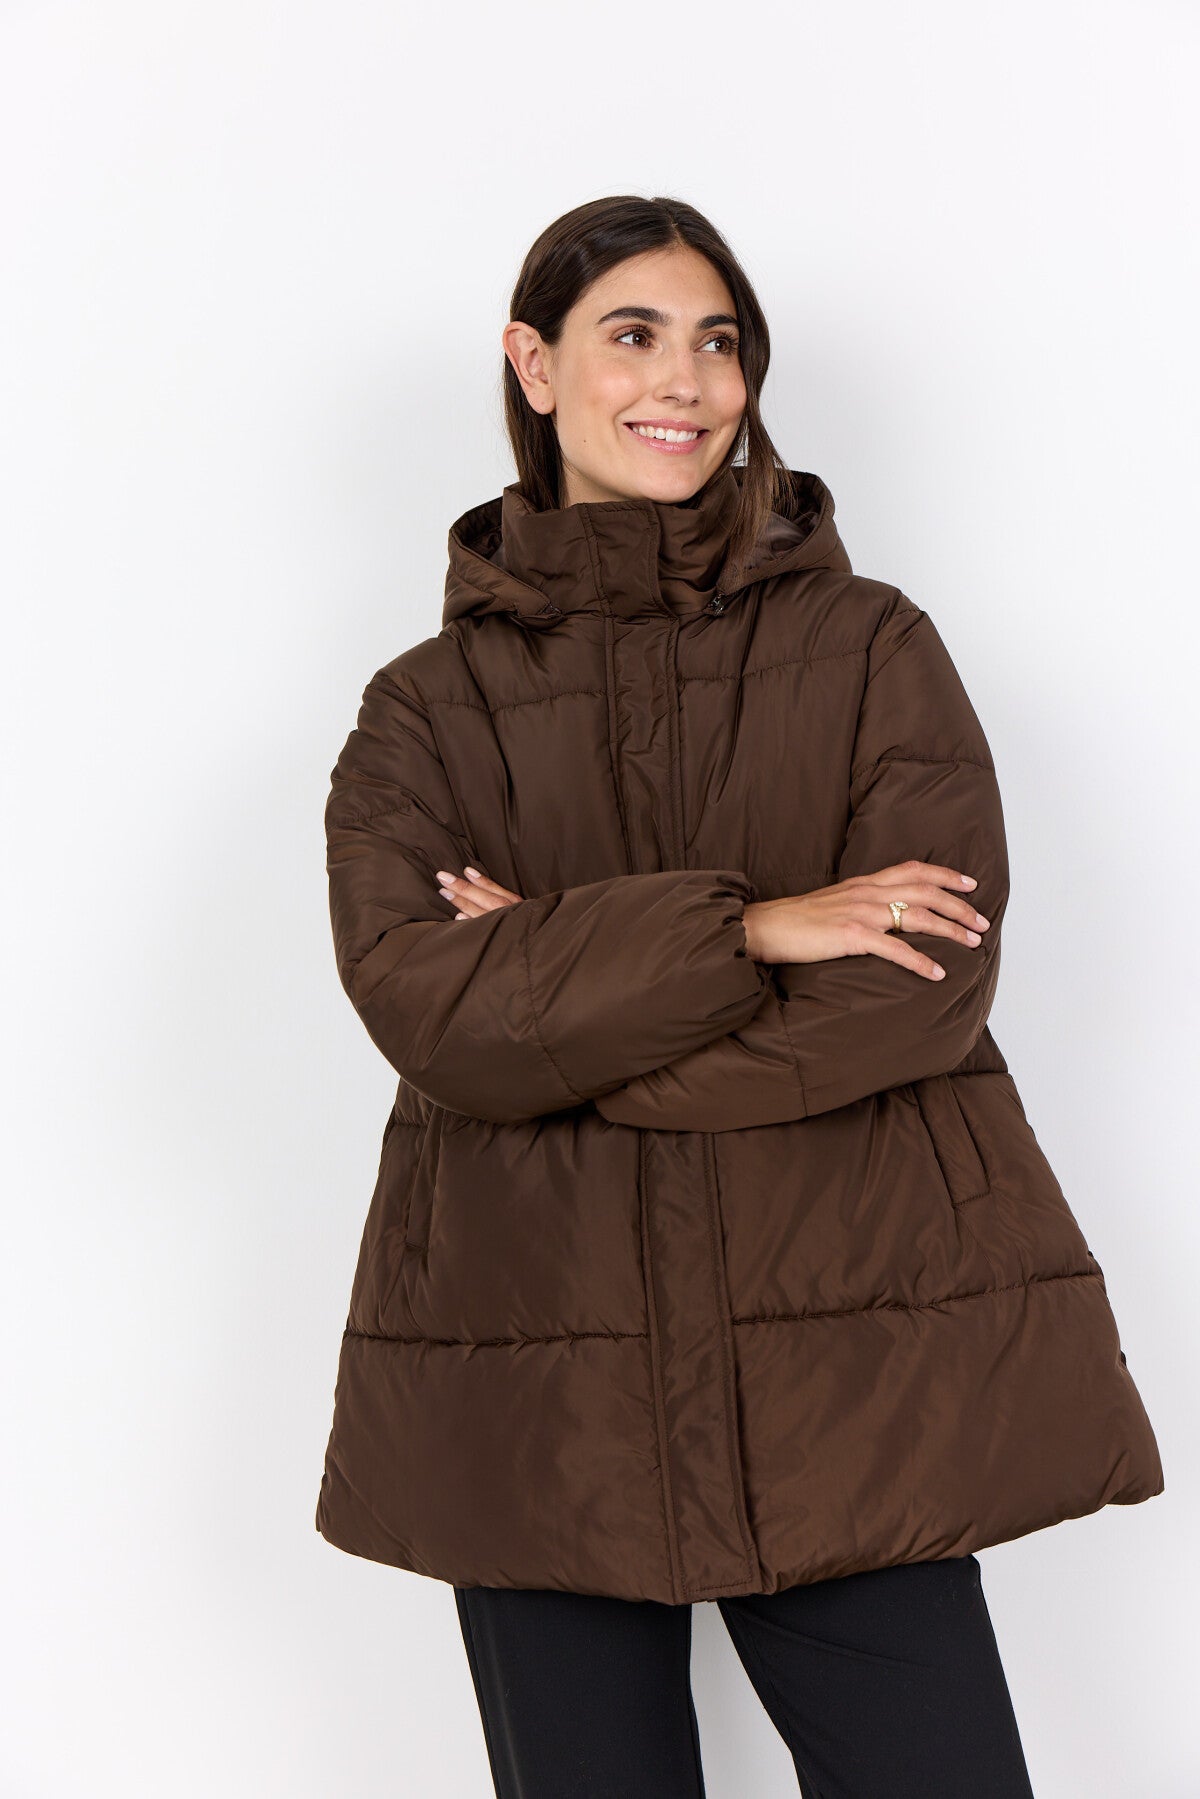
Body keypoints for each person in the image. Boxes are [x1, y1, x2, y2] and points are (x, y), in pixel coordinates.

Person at [314, 194, 1164, 1798]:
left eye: (719, 343)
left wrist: (563, 1001)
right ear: (534, 365)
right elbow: (431, 1010)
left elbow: (921, 987)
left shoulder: (872, 648)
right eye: (632, 335)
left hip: (855, 1376)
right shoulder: (425, 713)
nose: (686, 381)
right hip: (535, 1381)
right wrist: (754, 931)